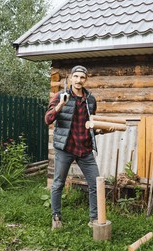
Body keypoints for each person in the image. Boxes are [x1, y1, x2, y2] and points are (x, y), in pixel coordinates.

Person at [45, 65, 100, 230]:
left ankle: (94, 218)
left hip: (85, 148)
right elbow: (48, 119)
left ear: (86, 80)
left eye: (82, 77)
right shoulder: (60, 96)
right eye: (76, 76)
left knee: (96, 184)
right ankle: (56, 217)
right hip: (66, 147)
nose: (78, 80)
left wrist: (99, 130)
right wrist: (61, 105)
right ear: (71, 78)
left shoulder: (90, 99)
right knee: (58, 184)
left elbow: (90, 124)